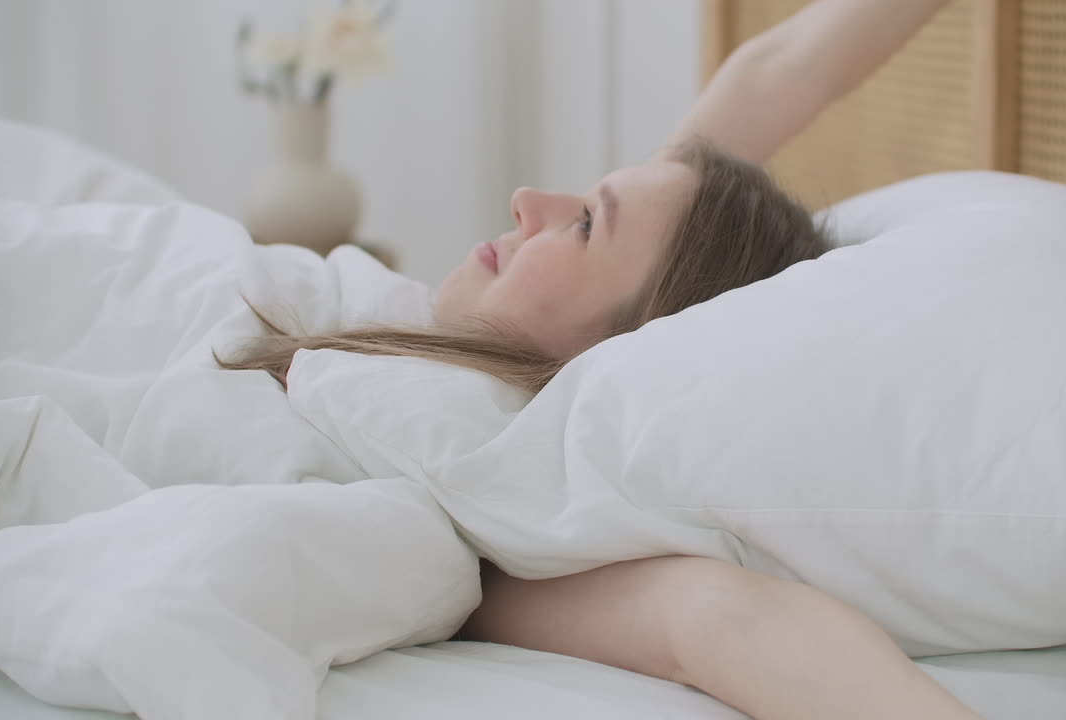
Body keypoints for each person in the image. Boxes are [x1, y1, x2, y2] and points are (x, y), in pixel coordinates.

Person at [222, 0, 980, 717]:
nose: (525, 199)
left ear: (624, 356)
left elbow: (726, 624)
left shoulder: (484, 509)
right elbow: (776, 70)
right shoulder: (643, 256)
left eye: (584, 224)